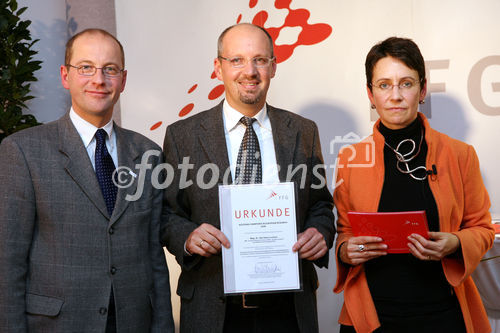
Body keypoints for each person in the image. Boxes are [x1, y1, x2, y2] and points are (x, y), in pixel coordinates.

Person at [161, 23, 335, 333]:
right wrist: (187, 237)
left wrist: (318, 232)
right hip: (213, 309)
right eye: (237, 60)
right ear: (218, 68)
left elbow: (321, 205)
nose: (250, 71)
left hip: (288, 311)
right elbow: (166, 213)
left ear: (273, 66)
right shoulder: (182, 136)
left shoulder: (303, 131)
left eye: (260, 59)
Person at [0, 28, 174, 333]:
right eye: (86, 68)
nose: (99, 79)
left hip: (134, 322)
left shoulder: (148, 152)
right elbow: (8, 261)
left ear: (123, 79)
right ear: (66, 76)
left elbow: (153, 256)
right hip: (57, 324)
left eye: (110, 69)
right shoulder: (22, 151)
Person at [333, 36, 495, 333]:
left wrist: (456, 243)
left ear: (422, 90)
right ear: (370, 94)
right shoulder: (350, 158)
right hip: (372, 317)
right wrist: (346, 251)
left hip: (442, 313)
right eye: (384, 85)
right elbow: (345, 232)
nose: (395, 95)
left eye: (406, 83)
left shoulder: (461, 155)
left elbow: (482, 229)